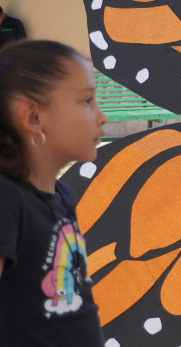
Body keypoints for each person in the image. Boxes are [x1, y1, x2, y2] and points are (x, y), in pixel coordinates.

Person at [0, 40, 107, 346]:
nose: (102, 117)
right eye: (86, 101)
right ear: (34, 117)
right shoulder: (6, 199)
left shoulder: (63, 195)